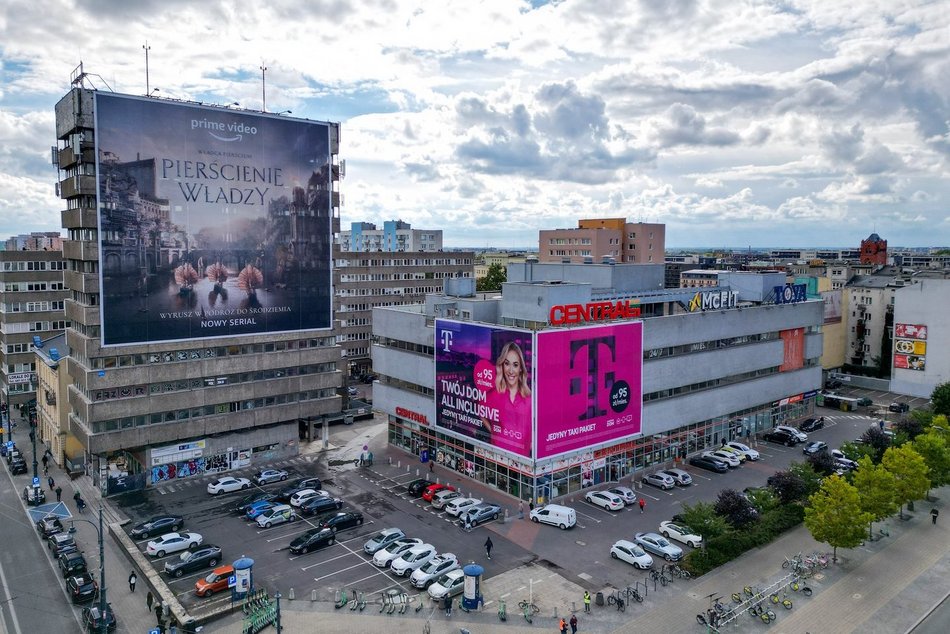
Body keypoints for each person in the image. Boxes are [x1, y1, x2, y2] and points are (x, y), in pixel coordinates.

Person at [481, 342, 532, 455]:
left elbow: (535, 428)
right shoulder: (494, 394)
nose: (510, 370)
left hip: (522, 461)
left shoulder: (530, 399)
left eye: (515, 365)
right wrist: (495, 432)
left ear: (520, 369)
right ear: (502, 366)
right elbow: (480, 410)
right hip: (498, 458)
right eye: (507, 364)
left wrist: (530, 445)